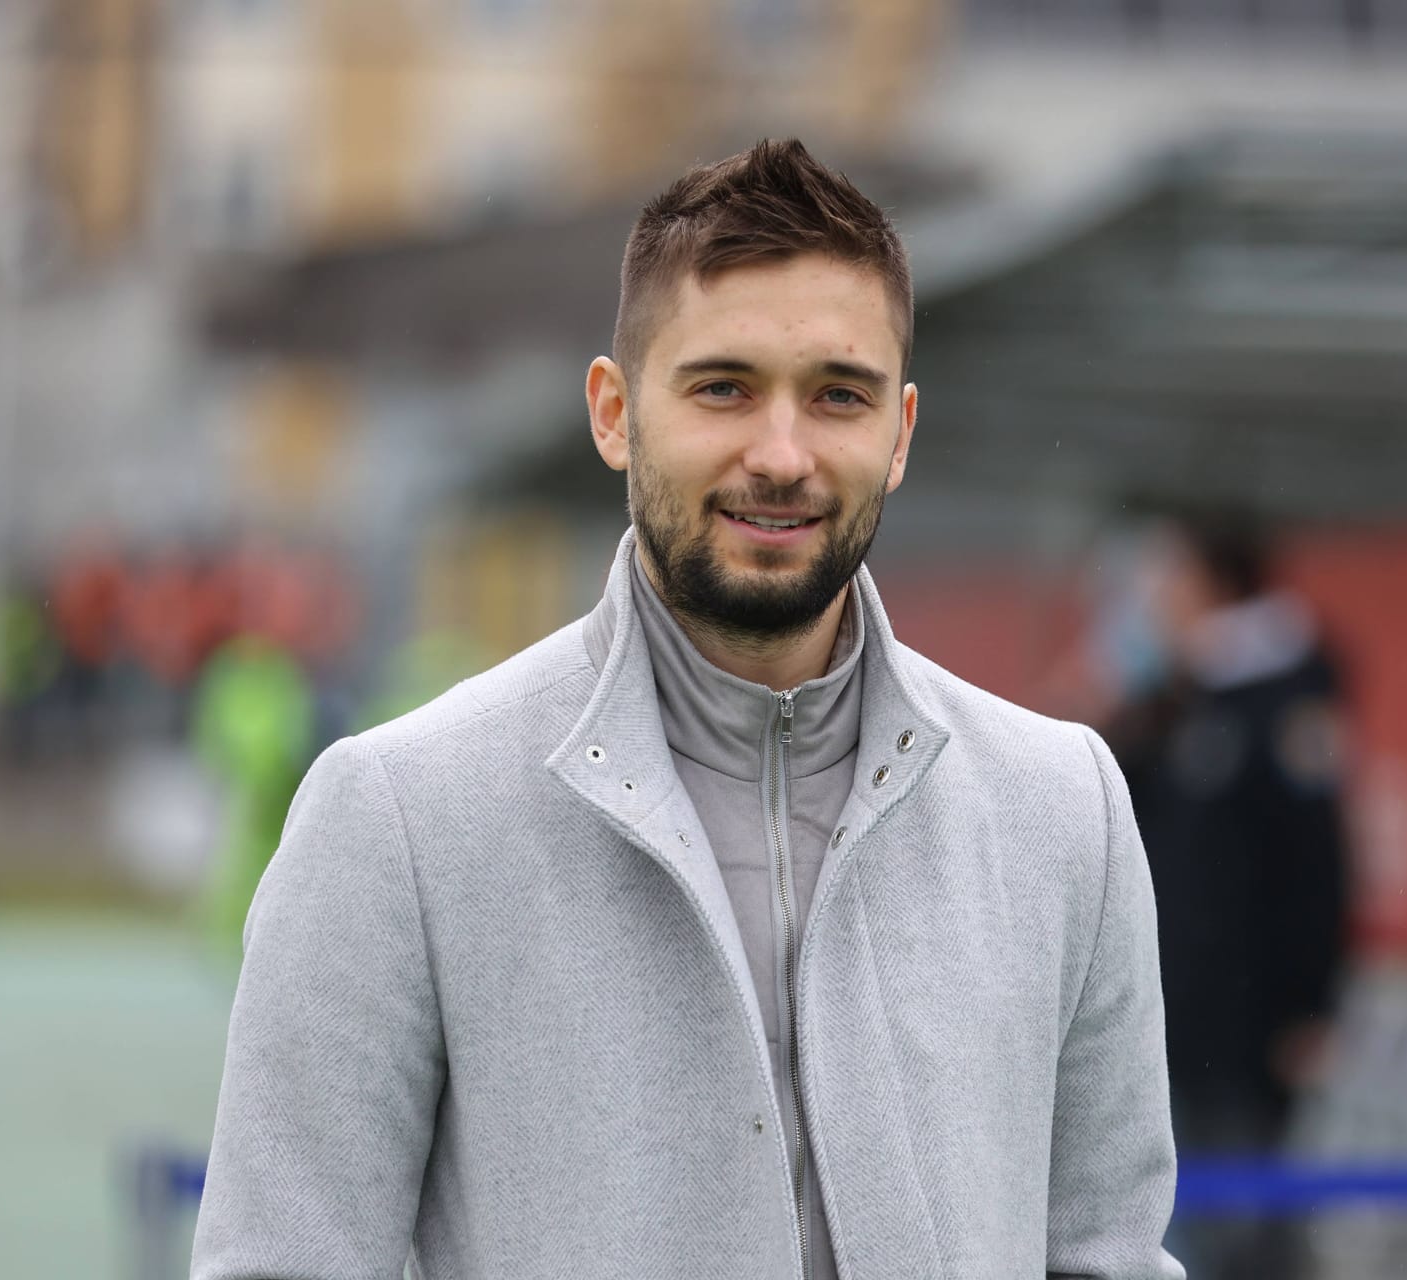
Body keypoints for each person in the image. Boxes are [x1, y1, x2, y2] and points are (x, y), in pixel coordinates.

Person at [193, 140, 1181, 1279]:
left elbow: (1109, 1256)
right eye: (724, 386)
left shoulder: (1065, 810)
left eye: (837, 396)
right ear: (615, 414)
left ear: (900, 433)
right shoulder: (401, 818)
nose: (781, 453)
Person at [1107, 508, 1353, 1279]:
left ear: (1212, 583)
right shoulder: (1185, 703)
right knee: (1187, 1221)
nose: (1150, 598)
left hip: (1249, 1029)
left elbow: (1319, 869)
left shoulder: (1279, 704)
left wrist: (1310, 1006)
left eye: (1166, 576)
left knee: (1248, 1227)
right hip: (1174, 1021)